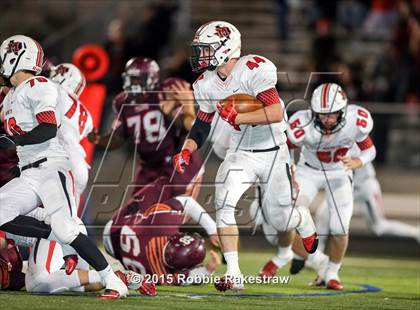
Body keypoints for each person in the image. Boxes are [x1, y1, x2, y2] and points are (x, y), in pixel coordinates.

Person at [172, 21, 318, 291]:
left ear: (225, 48)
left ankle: (304, 221)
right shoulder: (206, 83)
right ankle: (235, 274)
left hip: (274, 152)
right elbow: (203, 122)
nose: (200, 55)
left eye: (206, 49)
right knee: (224, 204)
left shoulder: (253, 69)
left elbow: (275, 112)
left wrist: (238, 116)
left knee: (281, 218)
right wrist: (187, 149)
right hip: (240, 152)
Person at [0, 35, 127, 299]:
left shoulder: (39, 85)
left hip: (52, 168)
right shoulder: (13, 95)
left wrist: (13, 140)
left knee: (67, 228)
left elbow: (48, 128)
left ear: (15, 58)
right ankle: (52, 227)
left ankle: (113, 280)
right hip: (30, 172)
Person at [269, 83, 376, 290]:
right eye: (322, 114)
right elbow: (285, 148)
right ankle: (303, 256)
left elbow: (369, 150)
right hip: (308, 171)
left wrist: (359, 162)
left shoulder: (357, 120)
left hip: (339, 172)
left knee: (340, 227)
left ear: (343, 111)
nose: (327, 119)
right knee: (288, 216)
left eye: (332, 114)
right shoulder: (302, 123)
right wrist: (290, 169)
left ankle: (332, 273)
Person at [89, 57, 203, 198]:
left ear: (152, 78)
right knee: (135, 213)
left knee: (173, 211)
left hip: (177, 164)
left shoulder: (168, 91)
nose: (133, 84)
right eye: (130, 79)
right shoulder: (123, 102)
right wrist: (99, 139)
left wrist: (180, 111)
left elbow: (189, 129)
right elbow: (118, 138)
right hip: (149, 166)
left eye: (137, 79)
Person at [103, 176, 220, 285]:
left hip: (115, 227)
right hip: (115, 253)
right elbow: (188, 277)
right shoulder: (161, 274)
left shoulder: (164, 223)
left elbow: (187, 201)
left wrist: (213, 229)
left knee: (163, 183)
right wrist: (208, 270)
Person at [49, 63, 93, 209]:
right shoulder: (86, 113)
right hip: (79, 164)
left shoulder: (54, 90)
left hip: (59, 159)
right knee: (70, 222)